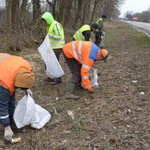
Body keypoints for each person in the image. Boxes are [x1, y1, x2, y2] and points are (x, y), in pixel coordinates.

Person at [0, 53, 35, 141]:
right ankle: (6, 123)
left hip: (6, 68)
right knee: (3, 101)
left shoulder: (27, 67)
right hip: (3, 75)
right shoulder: (5, 83)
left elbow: (24, 78)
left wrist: (26, 88)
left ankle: (11, 119)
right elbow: (2, 106)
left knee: (10, 97)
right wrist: (6, 127)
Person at [41, 12, 65, 85]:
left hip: (58, 47)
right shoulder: (49, 26)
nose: (44, 23)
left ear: (48, 19)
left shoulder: (56, 25)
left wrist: (52, 36)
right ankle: (51, 77)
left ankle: (58, 78)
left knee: (54, 62)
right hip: (52, 47)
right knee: (48, 62)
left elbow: (59, 36)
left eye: (45, 21)